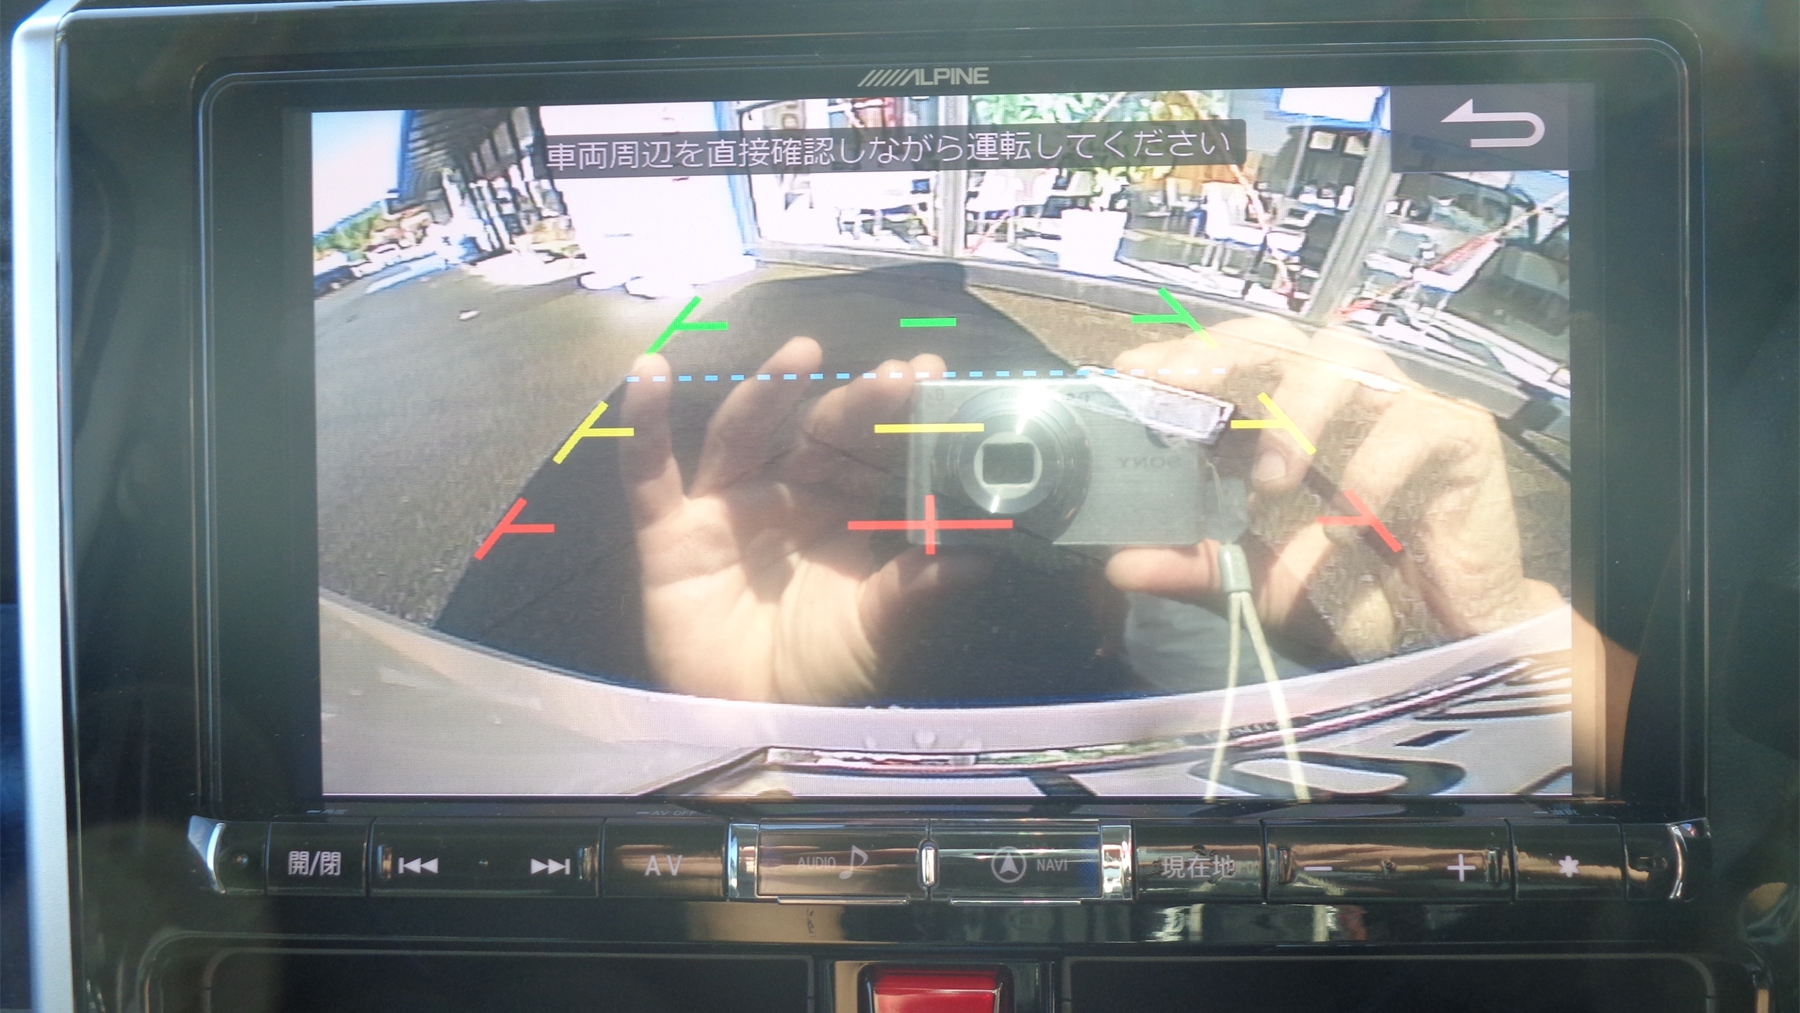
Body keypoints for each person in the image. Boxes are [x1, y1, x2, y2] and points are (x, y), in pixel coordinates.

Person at [619, 315, 1563, 705]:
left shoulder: (1197, 614)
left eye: (1088, 432)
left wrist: (1486, 630)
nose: (1016, 477)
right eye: (971, 450)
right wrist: (745, 731)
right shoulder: (1169, 641)